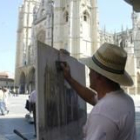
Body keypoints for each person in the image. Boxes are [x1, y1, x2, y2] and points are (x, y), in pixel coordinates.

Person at [61, 43, 136, 140]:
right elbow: (92, 97)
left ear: (98, 76)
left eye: (91, 70)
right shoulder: (126, 100)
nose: (89, 74)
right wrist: (69, 79)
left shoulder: (102, 114)